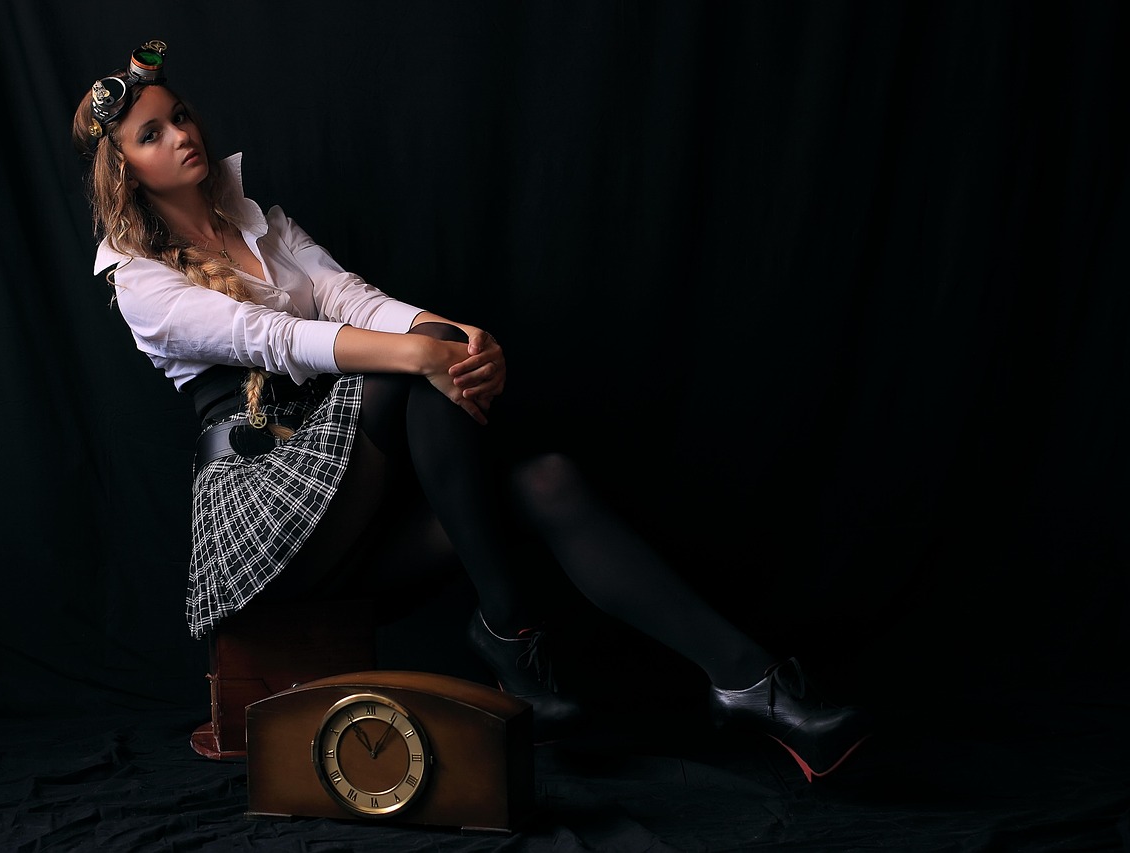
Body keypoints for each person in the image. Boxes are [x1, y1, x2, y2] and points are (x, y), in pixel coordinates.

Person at [71, 38, 873, 781]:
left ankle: (750, 682)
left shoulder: (262, 224)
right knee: (407, 368)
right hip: (268, 526)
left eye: (181, 116)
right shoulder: (137, 279)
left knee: (546, 480)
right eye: (152, 134)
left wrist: (455, 337)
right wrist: (424, 352)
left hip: (357, 511)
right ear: (125, 170)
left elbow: (357, 299)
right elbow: (272, 337)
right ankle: (509, 632)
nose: (182, 135)